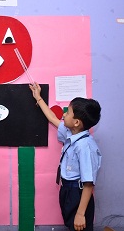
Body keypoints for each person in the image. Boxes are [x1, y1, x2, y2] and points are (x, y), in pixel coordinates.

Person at [29, 82, 101, 231]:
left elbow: (88, 183)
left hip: (79, 193)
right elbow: (51, 118)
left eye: (67, 112)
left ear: (76, 122)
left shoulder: (85, 146)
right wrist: (38, 97)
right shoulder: (71, 133)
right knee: (71, 225)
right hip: (67, 190)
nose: (63, 114)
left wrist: (80, 213)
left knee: (80, 225)